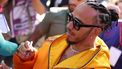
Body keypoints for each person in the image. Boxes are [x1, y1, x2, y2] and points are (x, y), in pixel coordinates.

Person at [13, 2, 113, 69]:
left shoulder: (97, 66)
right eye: (70, 17)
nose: (69, 26)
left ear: (96, 31)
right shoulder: (53, 41)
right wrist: (28, 58)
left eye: (77, 23)